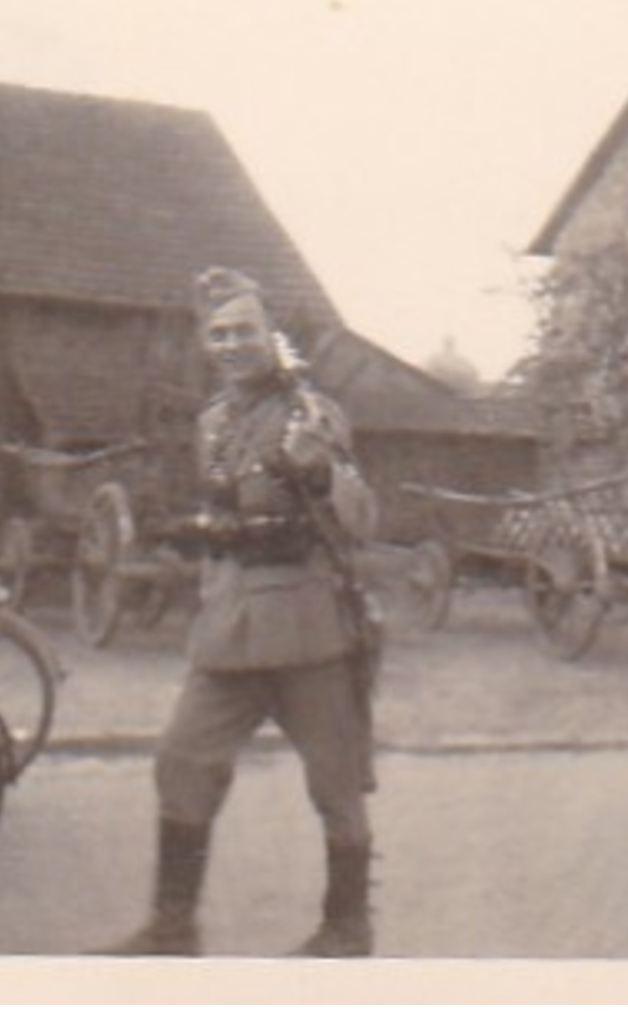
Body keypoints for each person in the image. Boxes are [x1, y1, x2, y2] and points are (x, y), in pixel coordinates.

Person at [110, 267, 380, 958]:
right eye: (218, 333)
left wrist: (317, 473)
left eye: (244, 331)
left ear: (272, 337)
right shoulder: (213, 421)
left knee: (335, 781)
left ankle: (347, 929)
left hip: (305, 631)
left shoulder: (311, 413)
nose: (230, 344)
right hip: (227, 628)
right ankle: (173, 927)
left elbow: (362, 519)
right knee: (181, 760)